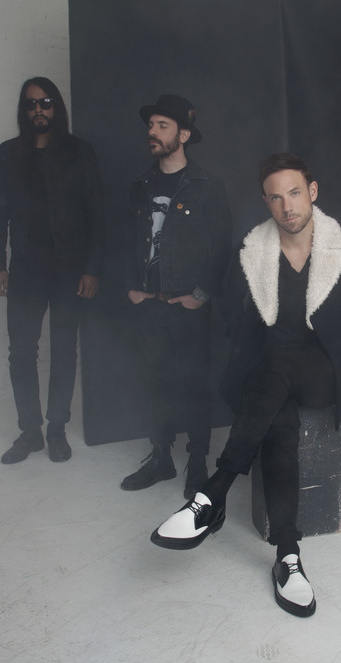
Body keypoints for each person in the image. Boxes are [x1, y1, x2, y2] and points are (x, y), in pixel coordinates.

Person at [150, 153, 341, 617]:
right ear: (266, 203)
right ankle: (288, 555)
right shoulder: (252, 251)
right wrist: (246, 342)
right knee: (278, 424)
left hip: (324, 371)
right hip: (273, 375)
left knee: (275, 374)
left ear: (313, 192)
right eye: (276, 197)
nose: (288, 206)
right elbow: (227, 303)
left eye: (295, 193)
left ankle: (211, 495)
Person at [0, 77, 105, 464]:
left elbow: (96, 214)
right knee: (21, 352)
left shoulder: (79, 152)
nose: (39, 109)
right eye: (31, 103)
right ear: (24, 110)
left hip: (69, 270)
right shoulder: (8, 153)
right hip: (25, 270)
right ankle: (30, 432)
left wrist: (91, 269)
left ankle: (56, 429)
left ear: (57, 106)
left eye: (46, 102)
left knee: (64, 351)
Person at [121, 95, 232, 500]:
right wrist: (131, 287)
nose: (152, 132)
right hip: (149, 305)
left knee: (194, 386)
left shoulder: (207, 186)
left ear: (184, 135)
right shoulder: (140, 185)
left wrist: (200, 295)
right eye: (150, 125)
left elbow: (222, 248)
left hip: (188, 307)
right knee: (156, 382)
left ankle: (198, 462)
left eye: (162, 125)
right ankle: (160, 457)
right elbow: (129, 240)